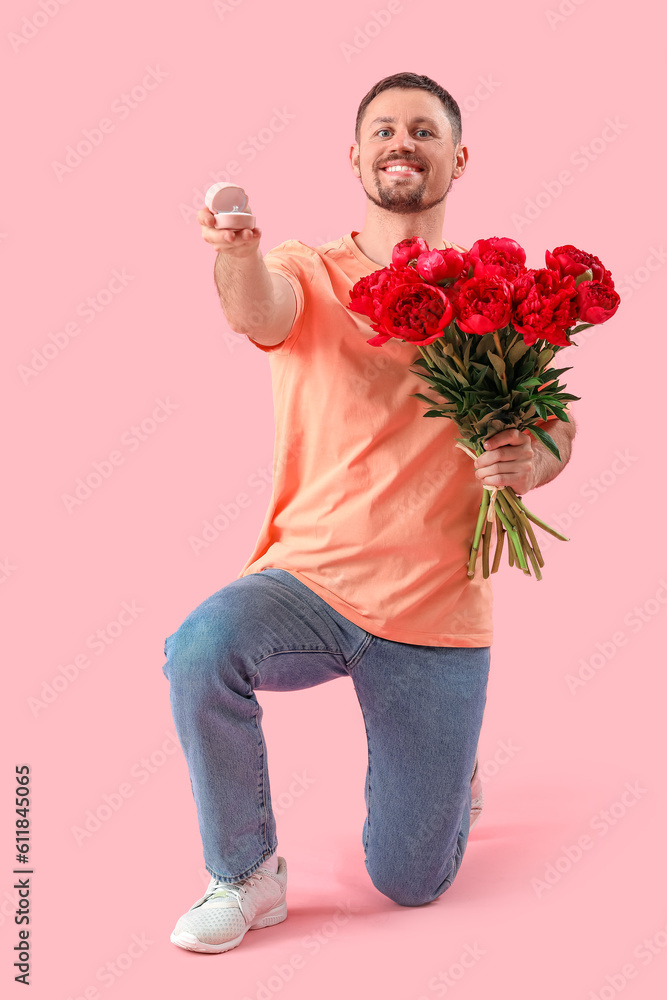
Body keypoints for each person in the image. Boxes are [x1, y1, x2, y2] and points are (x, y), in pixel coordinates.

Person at [162, 71, 576, 955]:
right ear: (352, 156)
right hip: (306, 583)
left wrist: (527, 461)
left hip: (436, 610)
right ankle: (245, 875)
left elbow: (553, 428)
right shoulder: (307, 271)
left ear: (457, 159)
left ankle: (449, 776)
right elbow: (257, 311)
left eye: (423, 130)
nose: (401, 142)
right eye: (383, 128)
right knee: (200, 648)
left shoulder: (494, 297)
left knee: (408, 882)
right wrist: (234, 251)